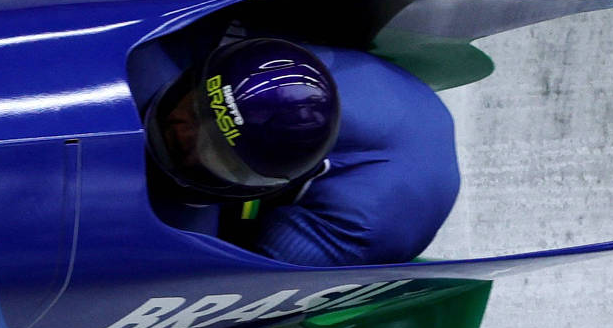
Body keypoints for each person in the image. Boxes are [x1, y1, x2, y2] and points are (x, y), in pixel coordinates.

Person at [144, 35, 460, 266]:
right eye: (196, 108)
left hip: (380, 213)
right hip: (379, 94)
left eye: (211, 149)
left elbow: (237, 284)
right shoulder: (272, 65)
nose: (179, 131)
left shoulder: (355, 228)